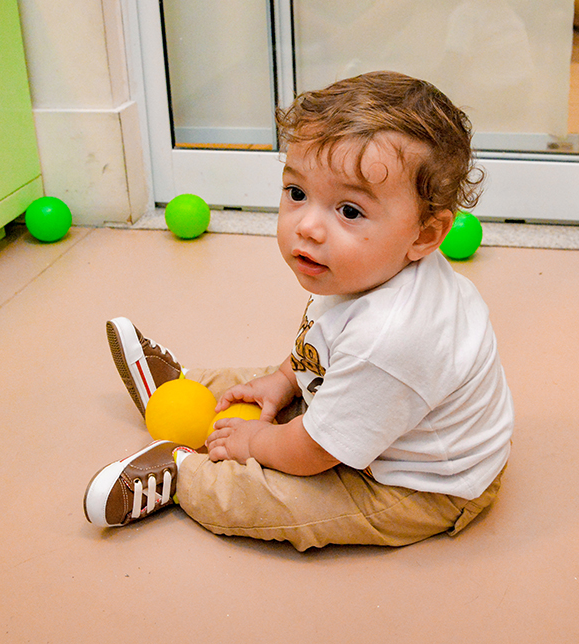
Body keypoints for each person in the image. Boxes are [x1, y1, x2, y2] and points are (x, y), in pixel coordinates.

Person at [83, 71, 515, 551]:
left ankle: (183, 474)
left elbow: (314, 451)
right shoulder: (367, 265)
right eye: (297, 193)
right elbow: (323, 346)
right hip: (368, 402)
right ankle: (181, 386)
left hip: (420, 485)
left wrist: (254, 444)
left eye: (349, 211)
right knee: (267, 381)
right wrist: (284, 381)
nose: (307, 226)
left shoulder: (391, 338)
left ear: (424, 235)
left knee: (284, 503)